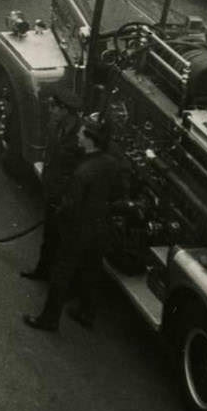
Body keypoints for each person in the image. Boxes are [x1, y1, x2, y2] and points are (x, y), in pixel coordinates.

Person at [23, 120, 126, 332]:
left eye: (81, 134)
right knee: (92, 270)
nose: (78, 137)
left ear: (90, 140)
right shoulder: (112, 163)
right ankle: (86, 313)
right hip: (101, 227)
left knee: (62, 271)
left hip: (79, 229)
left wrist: (59, 217)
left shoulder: (82, 172)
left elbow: (70, 206)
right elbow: (118, 194)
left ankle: (49, 319)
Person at [20, 94, 84, 286]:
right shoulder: (55, 126)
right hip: (53, 192)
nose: (51, 110)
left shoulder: (82, 136)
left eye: (55, 107)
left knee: (65, 244)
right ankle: (43, 270)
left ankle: (64, 284)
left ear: (65, 110)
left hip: (68, 199)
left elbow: (81, 172)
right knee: (50, 237)